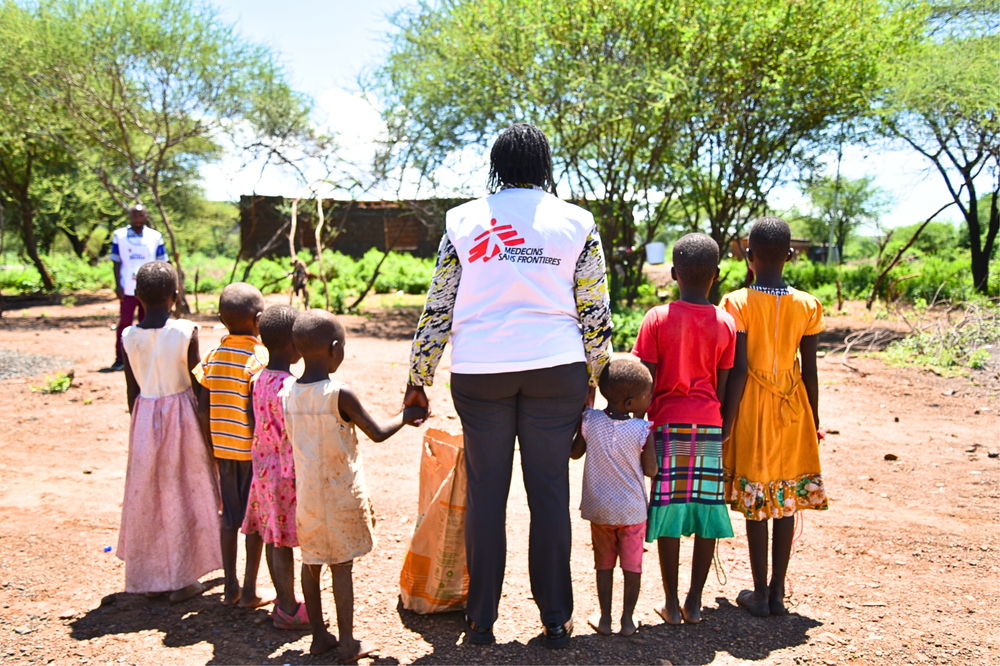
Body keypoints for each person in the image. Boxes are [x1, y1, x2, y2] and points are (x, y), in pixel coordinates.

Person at [403, 123, 612, 648]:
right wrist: (594, 376)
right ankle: (557, 621)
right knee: (548, 496)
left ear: (496, 165)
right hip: (556, 371)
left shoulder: (463, 220)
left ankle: (480, 622)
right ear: (545, 166)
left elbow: (439, 307)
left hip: (480, 373)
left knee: (487, 497)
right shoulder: (577, 222)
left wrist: (418, 378)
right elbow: (595, 309)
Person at [282, 309, 424, 659]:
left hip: (309, 495)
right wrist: (406, 416)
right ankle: (348, 643)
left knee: (311, 562)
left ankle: (319, 637)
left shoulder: (288, 392)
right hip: (340, 493)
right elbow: (376, 433)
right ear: (334, 349)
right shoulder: (338, 393)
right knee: (342, 567)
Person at [720, 216, 827, 618]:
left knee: (756, 499)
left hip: (752, 405)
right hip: (793, 406)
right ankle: (779, 592)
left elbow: (739, 368)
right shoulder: (808, 304)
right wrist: (812, 421)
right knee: (785, 498)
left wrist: (725, 420)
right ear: (790, 256)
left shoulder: (736, 302)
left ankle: (760, 593)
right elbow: (811, 370)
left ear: (749, 257)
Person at [632, 233, 737, 625]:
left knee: (671, 511)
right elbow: (723, 386)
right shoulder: (726, 322)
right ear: (717, 275)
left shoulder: (657, 318)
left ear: (674, 273)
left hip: (667, 424)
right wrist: (721, 423)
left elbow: (646, 383)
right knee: (707, 510)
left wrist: (642, 433)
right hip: (709, 424)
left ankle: (671, 603)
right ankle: (695, 601)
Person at [117, 261, 220, 601]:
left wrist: (141, 427)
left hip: (145, 419)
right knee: (187, 493)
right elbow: (199, 384)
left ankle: (152, 576)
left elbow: (132, 391)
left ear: (137, 297)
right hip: (184, 419)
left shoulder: (128, 337)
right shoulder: (185, 332)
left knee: (150, 496)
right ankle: (183, 578)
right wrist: (209, 430)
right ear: (176, 296)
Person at [570, 358, 656, 637]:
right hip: (631, 513)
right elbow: (652, 470)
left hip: (600, 510)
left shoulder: (590, 421)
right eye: (647, 395)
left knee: (603, 564)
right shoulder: (643, 430)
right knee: (632, 566)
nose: (650, 399)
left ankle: (605, 619)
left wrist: (584, 409)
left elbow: (574, 452)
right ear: (631, 403)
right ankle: (628, 620)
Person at [197, 282, 269, 607]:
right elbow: (259, 408)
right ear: (258, 320)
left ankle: (230, 587)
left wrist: (210, 444)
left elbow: (203, 404)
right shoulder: (259, 357)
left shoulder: (213, 355)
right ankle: (251, 590)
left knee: (229, 516)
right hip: (251, 453)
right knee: (253, 523)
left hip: (223, 450)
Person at [240, 304, 309, 629]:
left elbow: (254, 422)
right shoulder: (289, 389)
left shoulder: (257, 379)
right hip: (285, 477)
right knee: (283, 541)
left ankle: (285, 602)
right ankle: (288, 607)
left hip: (263, 472)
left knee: (272, 536)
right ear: (294, 344)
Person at [107, 204, 167, 372]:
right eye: (134, 215)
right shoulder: (119, 236)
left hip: (150, 288)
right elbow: (116, 261)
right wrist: (118, 284)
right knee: (125, 323)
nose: (137, 219)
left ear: (146, 216)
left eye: (140, 215)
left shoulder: (155, 236)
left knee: (147, 322)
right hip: (127, 287)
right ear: (130, 217)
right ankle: (120, 358)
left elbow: (162, 261)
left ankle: (147, 358)